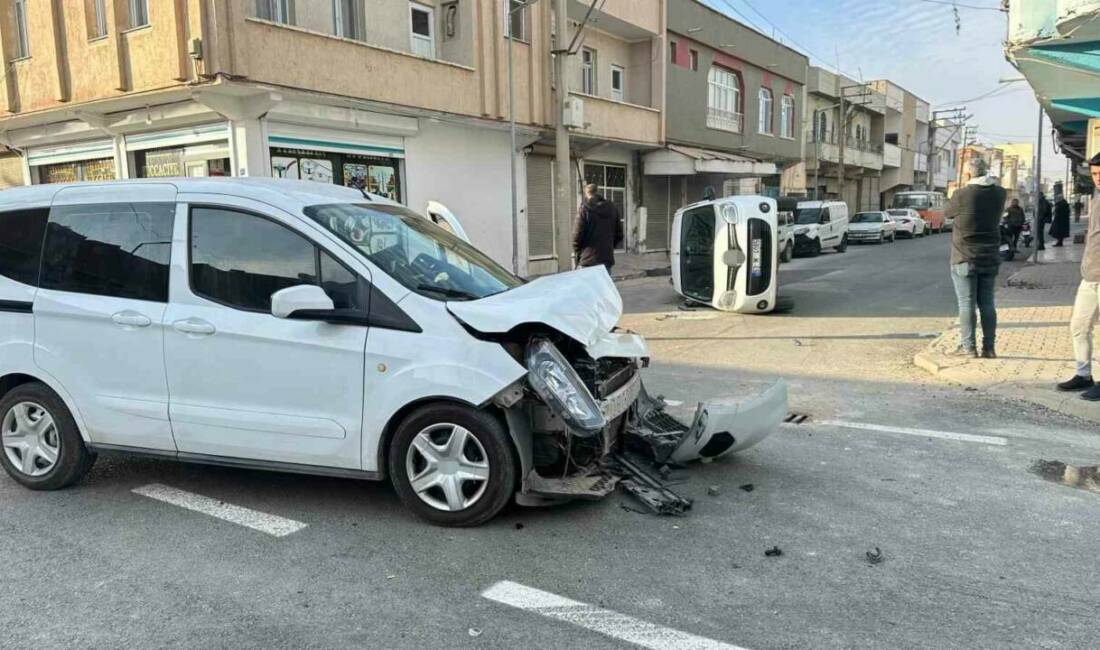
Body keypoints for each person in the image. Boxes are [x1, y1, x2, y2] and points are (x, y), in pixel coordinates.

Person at [948, 158, 1007, 358]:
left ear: (967, 174)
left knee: (966, 304)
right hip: (990, 256)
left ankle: (968, 348)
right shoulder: (1000, 193)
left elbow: (948, 214)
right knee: (987, 303)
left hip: (964, 256)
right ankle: (989, 348)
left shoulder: (961, 195)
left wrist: (957, 190)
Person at [1056, 153, 1100, 401]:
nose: (1098, 179)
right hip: (1091, 274)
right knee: (1079, 326)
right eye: (1094, 174)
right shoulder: (1096, 195)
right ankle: (1083, 374)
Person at [573, 183, 624, 270]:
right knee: (603, 283)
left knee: (587, 284)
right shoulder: (612, 208)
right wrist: (609, 246)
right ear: (598, 192)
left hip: (587, 260)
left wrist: (577, 252)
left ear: (587, 193)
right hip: (606, 259)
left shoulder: (584, 209)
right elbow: (619, 234)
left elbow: (577, 236)